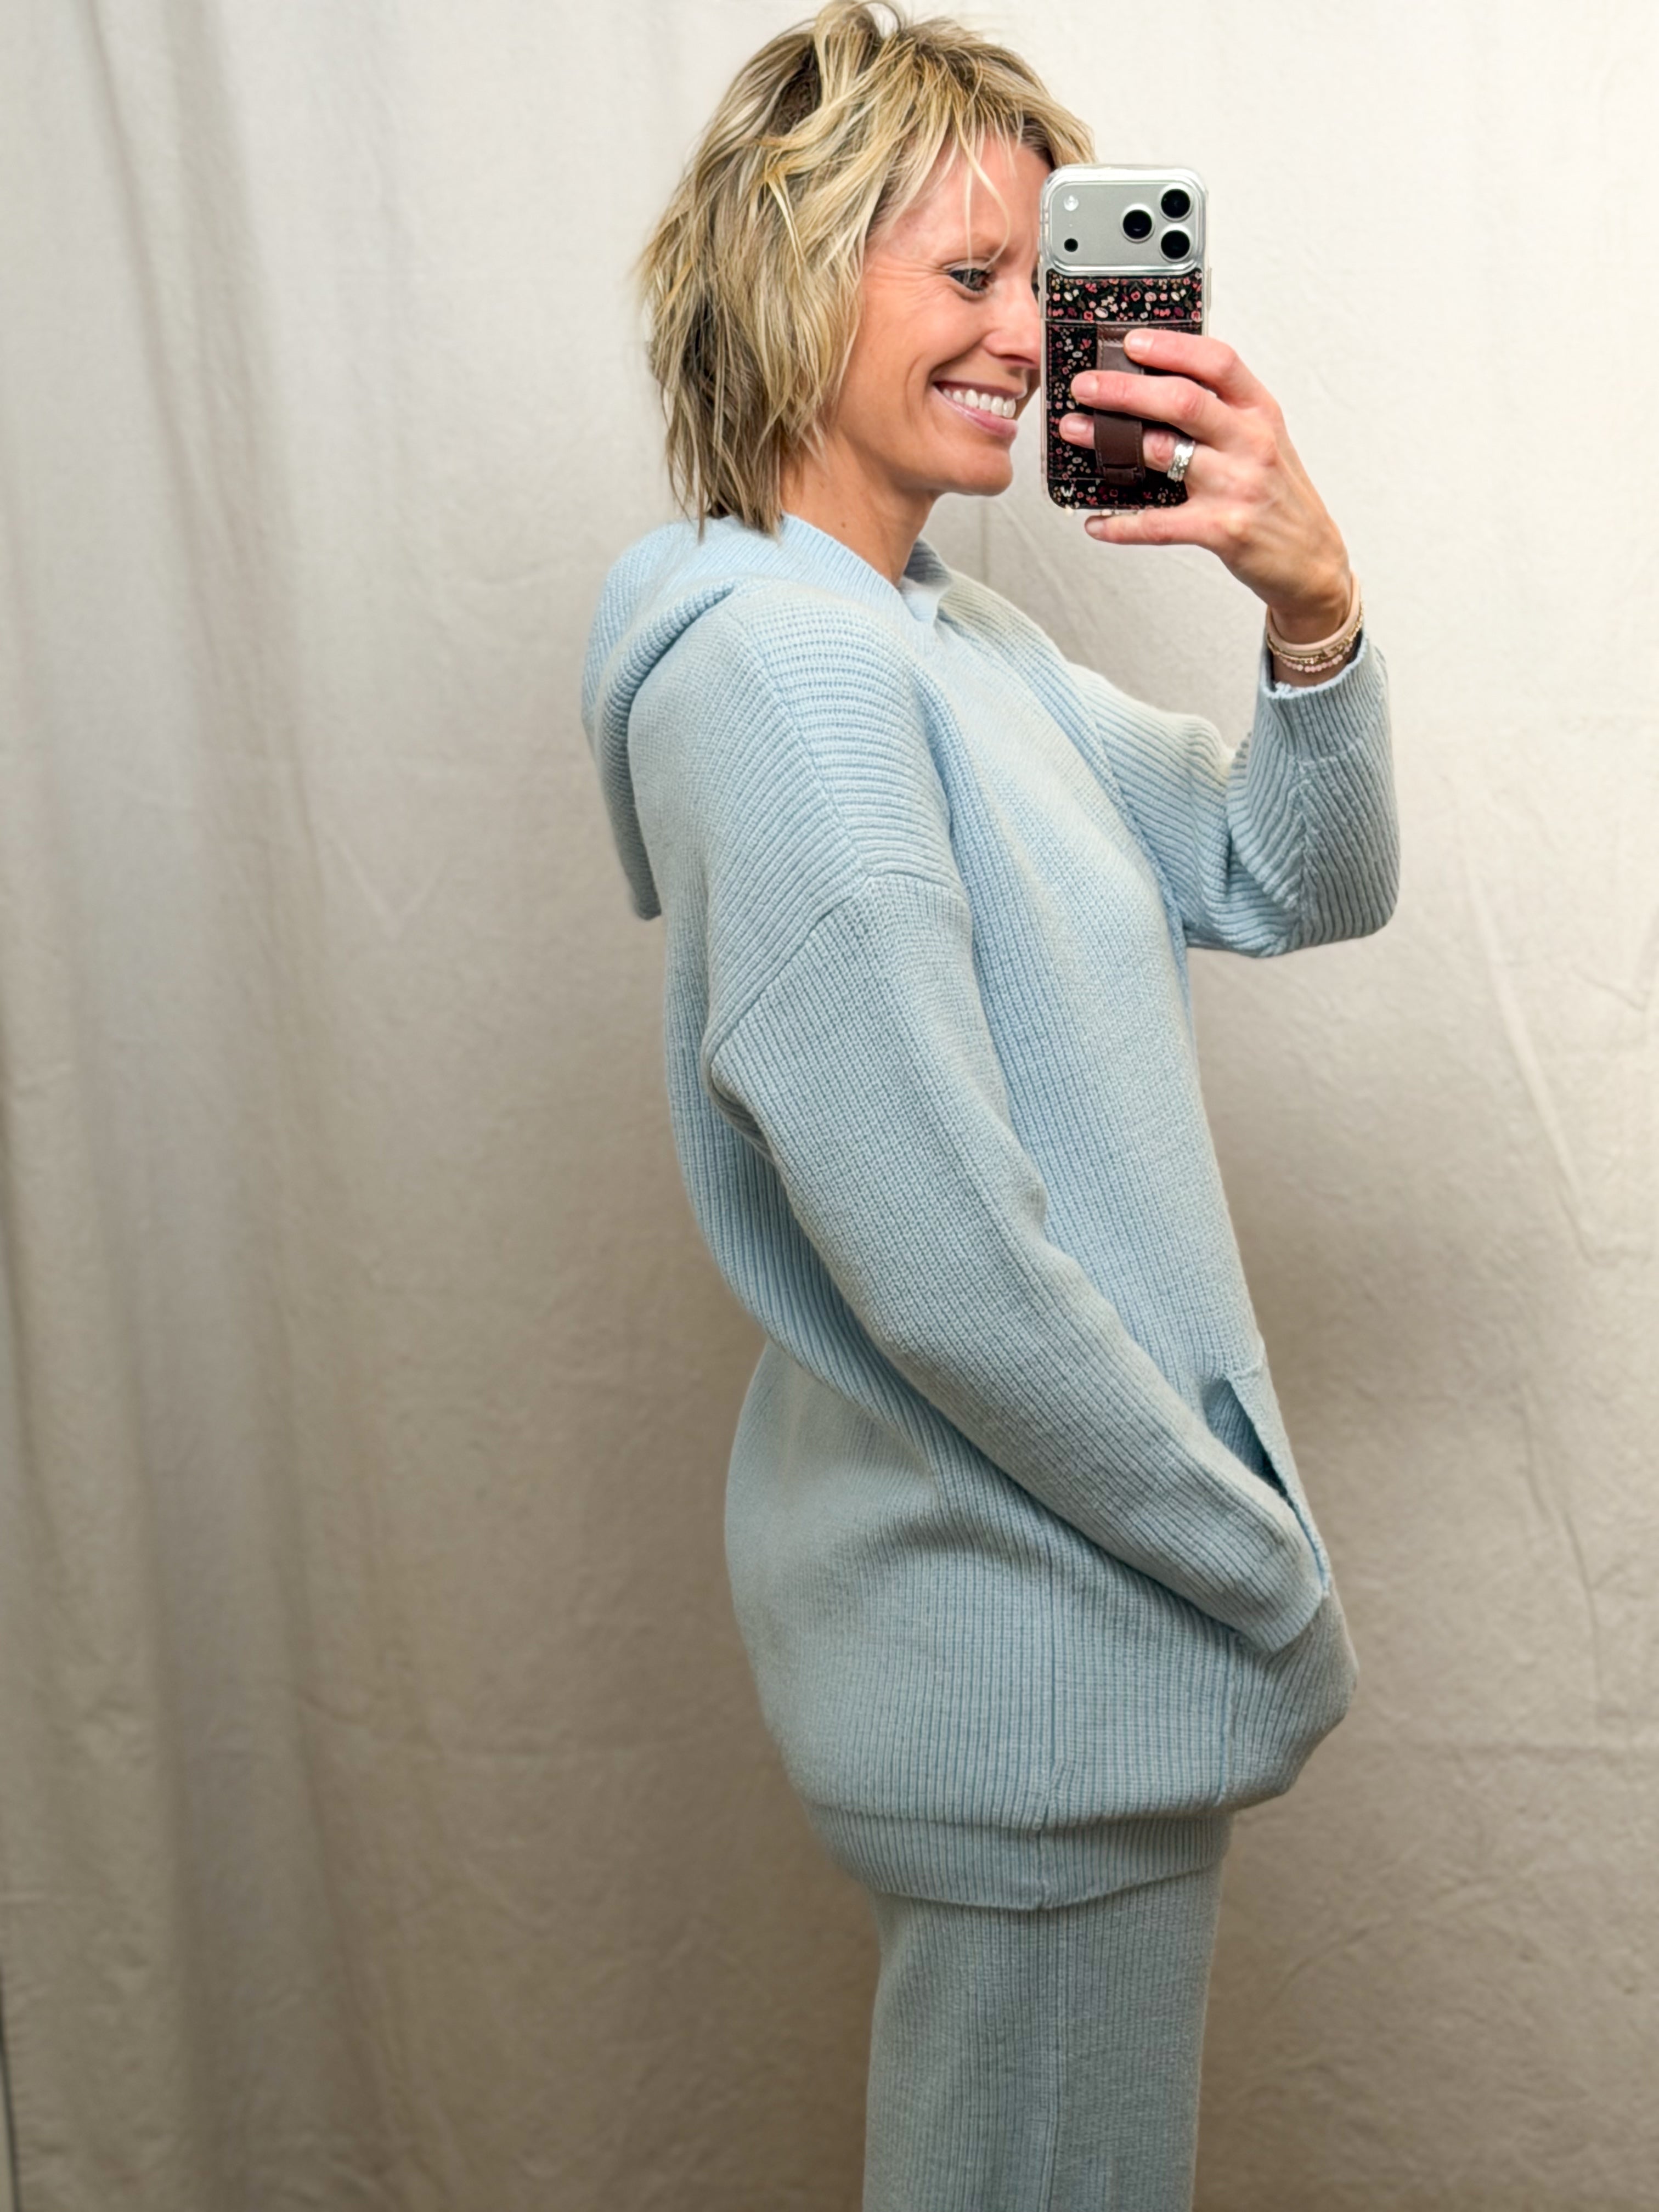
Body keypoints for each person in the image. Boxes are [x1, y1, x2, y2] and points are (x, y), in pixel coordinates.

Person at [581, 5, 1398, 2205]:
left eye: (1046, 278)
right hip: (1038, 1659)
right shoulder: (793, 678)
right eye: (968, 275)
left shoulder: (946, 648)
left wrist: (1310, 601)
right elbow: (944, 1265)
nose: (1033, 337)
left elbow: (1292, 873)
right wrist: (1253, 1563)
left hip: (1053, 1652)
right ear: (792, 273)